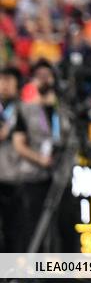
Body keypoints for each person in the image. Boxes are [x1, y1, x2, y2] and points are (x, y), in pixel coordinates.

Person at [12, 60, 79, 253]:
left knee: (66, 224)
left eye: (47, 75)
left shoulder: (65, 110)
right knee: (33, 226)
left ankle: (68, 274)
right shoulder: (25, 109)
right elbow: (19, 143)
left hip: (62, 175)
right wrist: (39, 159)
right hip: (35, 175)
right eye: (38, 76)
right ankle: (35, 274)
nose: (43, 80)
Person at [0, 66, 25, 252]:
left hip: (16, 176)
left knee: (14, 228)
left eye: (10, 80)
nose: (5, 85)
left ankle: (11, 274)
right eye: (2, 80)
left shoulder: (24, 110)